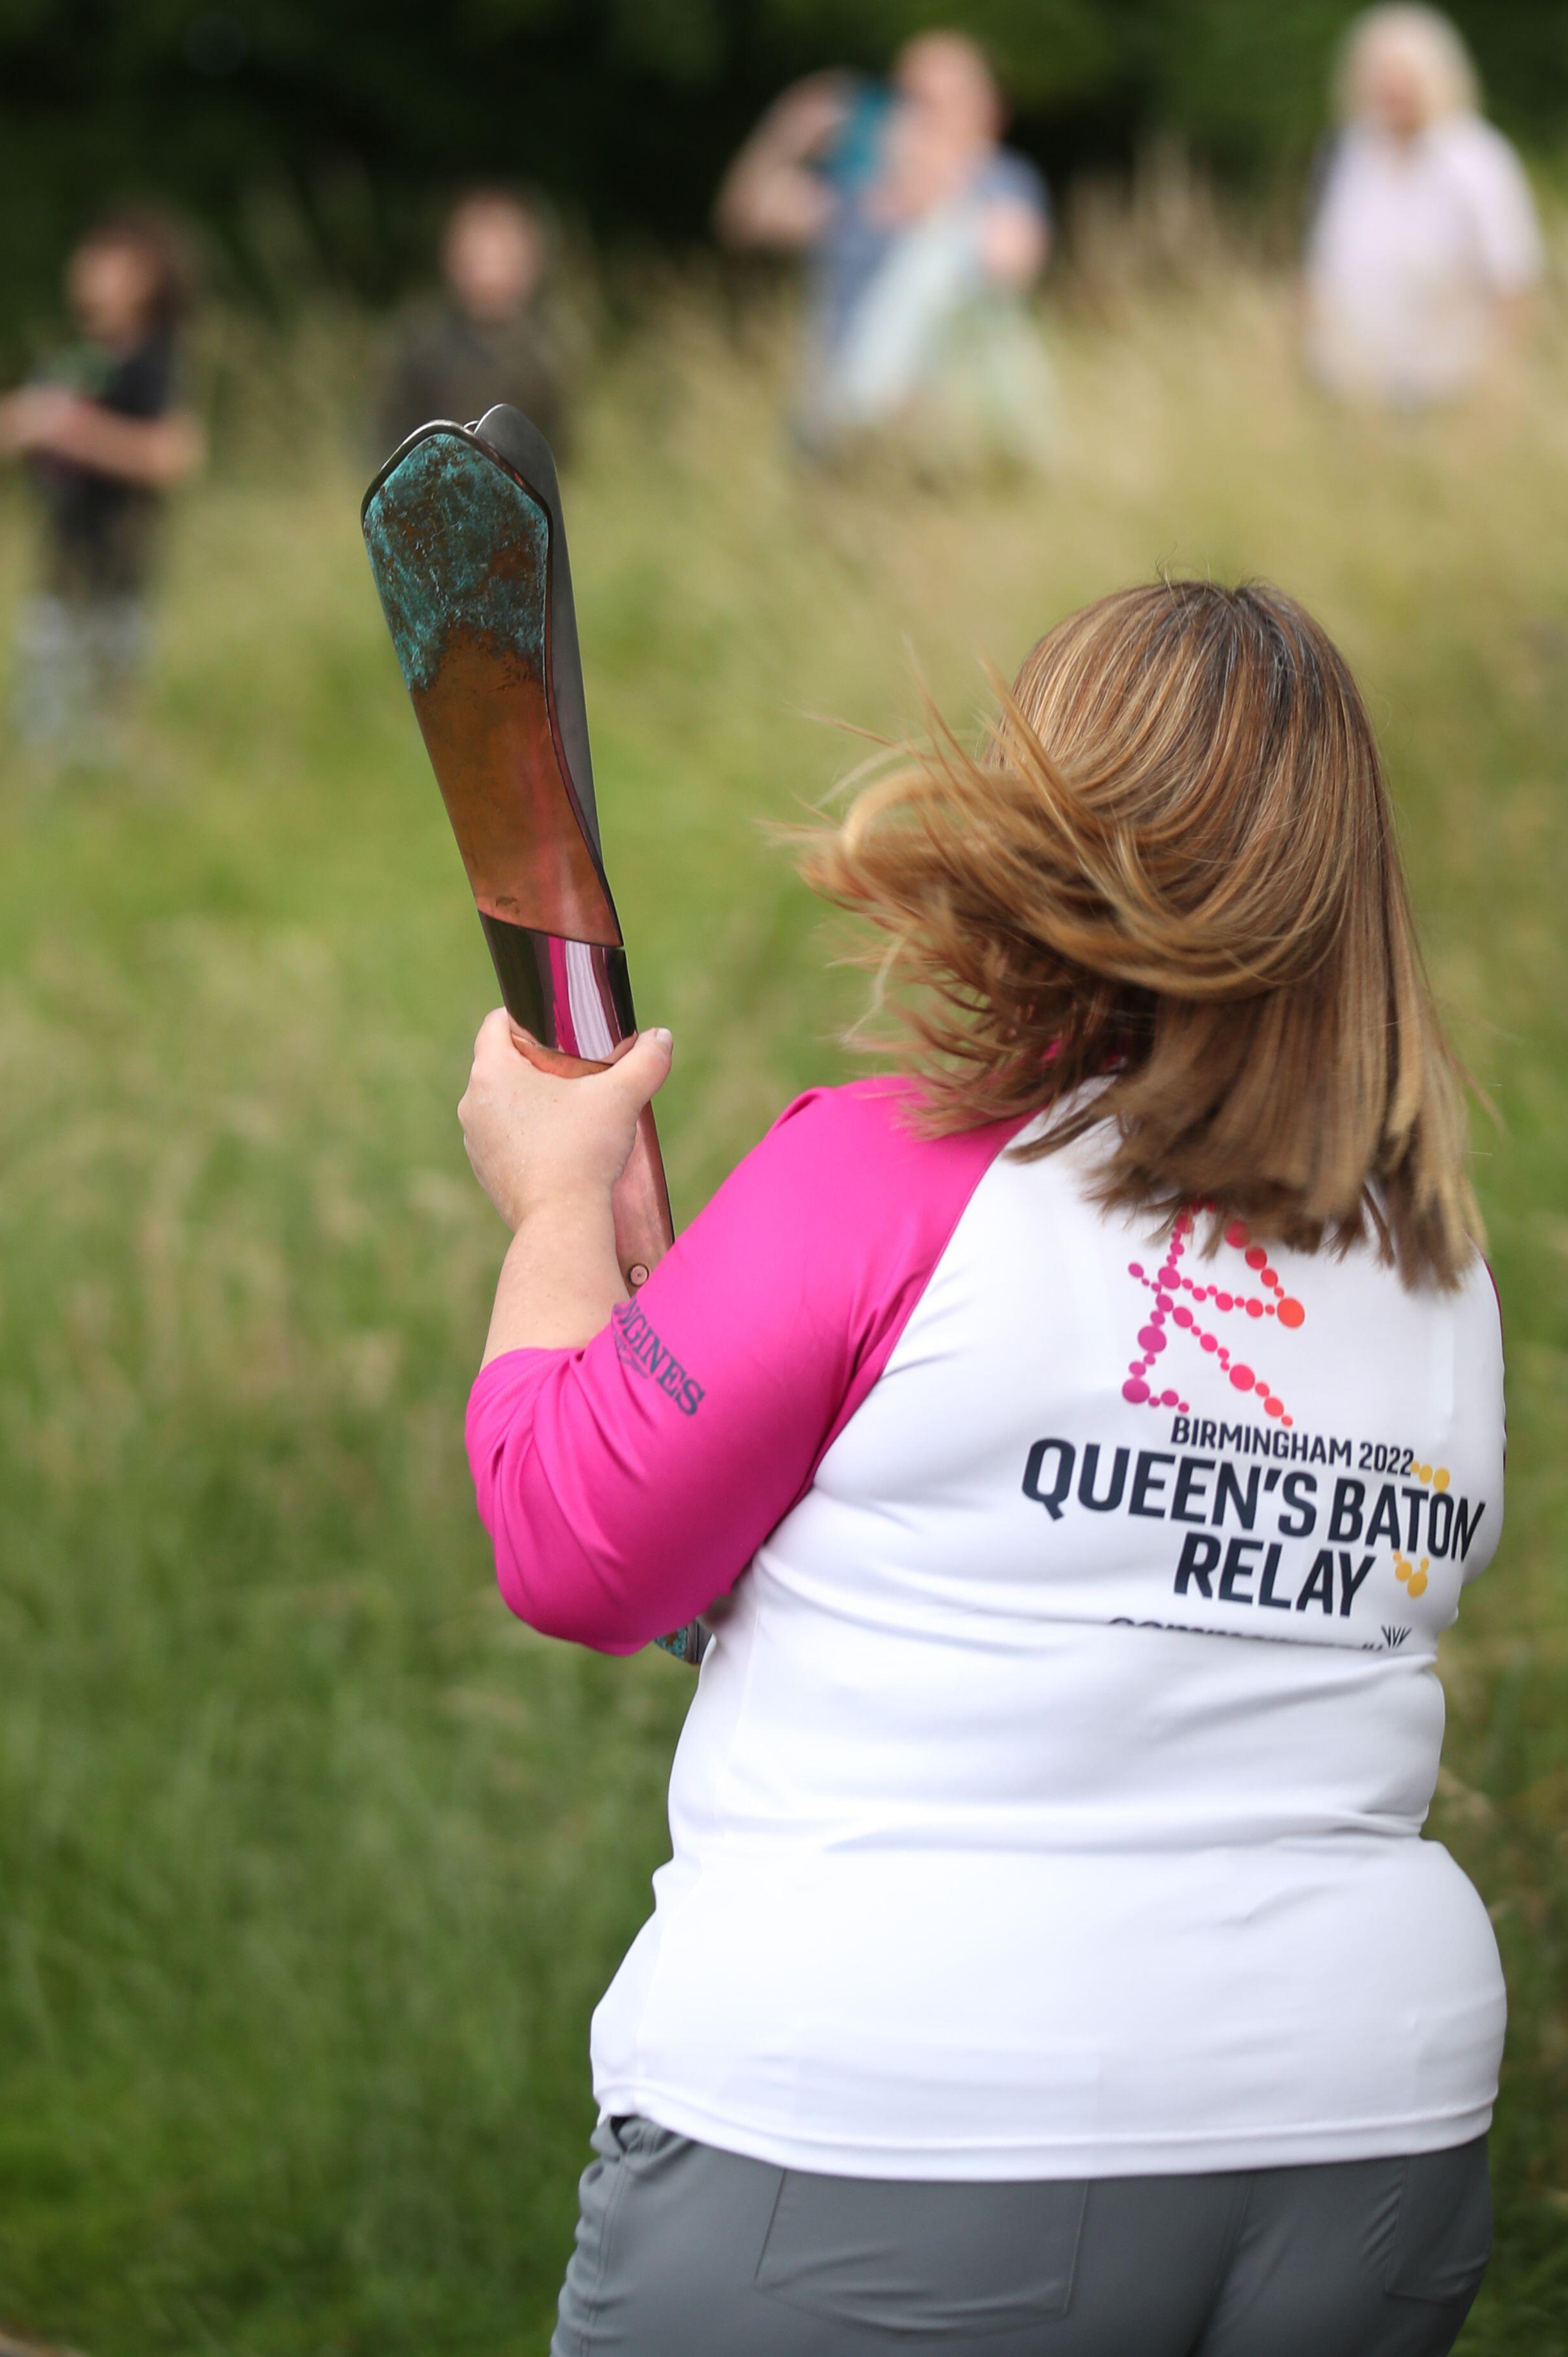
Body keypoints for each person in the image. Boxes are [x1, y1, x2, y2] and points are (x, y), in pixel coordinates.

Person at [455, 579, 1507, 2357]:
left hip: (883, 2112)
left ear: (1043, 826)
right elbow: (913, 1565)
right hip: (1367, 2127)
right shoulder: (1435, 1270)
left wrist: (558, 1205)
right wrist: (651, 1299)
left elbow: (576, 1538)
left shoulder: (886, 1172)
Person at [718, 31, 1053, 467]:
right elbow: (744, 217)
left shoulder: (1001, 183)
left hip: (942, 440)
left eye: (938, 102)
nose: (921, 117)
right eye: (909, 98)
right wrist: (789, 129)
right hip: (832, 435)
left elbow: (1012, 262)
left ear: (986, 110)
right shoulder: (855, 196)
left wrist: (939, 190)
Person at [0, 209, 204, 763]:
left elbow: (172, 455)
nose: (93, 273)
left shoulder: (152, 365)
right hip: (60, 566)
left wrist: (67, 427)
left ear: (149, 280)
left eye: (113, 264)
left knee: (104, 727)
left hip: (118, 571)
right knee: (45, 720)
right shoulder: (75, 361)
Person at [1303, 2, 1542, 408]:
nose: (1393, 89)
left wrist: (1496, 391)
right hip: (1353, 393)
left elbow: (1514, 283)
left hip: (1449, 390)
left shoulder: (1478, 159)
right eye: (1380, 74)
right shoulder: (1345, 154)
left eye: (1405, 76)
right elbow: (1317, 270)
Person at [373, 186, 570, 467]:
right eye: (480, 256)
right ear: (454, 261)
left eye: (502, 257)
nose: (490, 270)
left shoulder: (547, 353)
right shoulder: (424, 349)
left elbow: (562, 453)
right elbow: (389, 439)